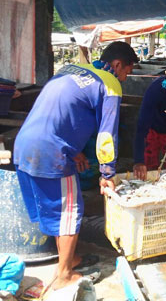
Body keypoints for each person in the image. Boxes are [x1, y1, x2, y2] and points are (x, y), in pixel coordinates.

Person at [13, 41, 138, 290]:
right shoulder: (109, 83)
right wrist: (107, 173)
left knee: (60, 212)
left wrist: (78, 150)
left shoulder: (70, 71)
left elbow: (61, 112)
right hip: (52, 153)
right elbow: (107, 135)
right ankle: (64, 274)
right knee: (70, 213)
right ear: (117, 65)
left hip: (24, 146)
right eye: (127, 71)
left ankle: (69, 259)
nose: (125, 78)